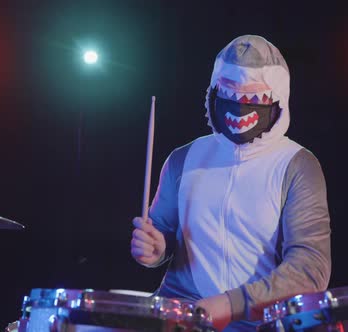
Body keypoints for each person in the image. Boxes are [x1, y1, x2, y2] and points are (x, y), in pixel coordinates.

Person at [130, 35, 331, 331]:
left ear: (278, 98)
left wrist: (231, 303)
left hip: (261, 322)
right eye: (229, 93)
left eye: (253, 98)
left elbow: (310, 269)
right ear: (214, 91)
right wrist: (154, 250)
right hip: (181, 314)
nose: (239, 106)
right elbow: (161, 232)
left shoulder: (298, 165)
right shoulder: (183, 158)